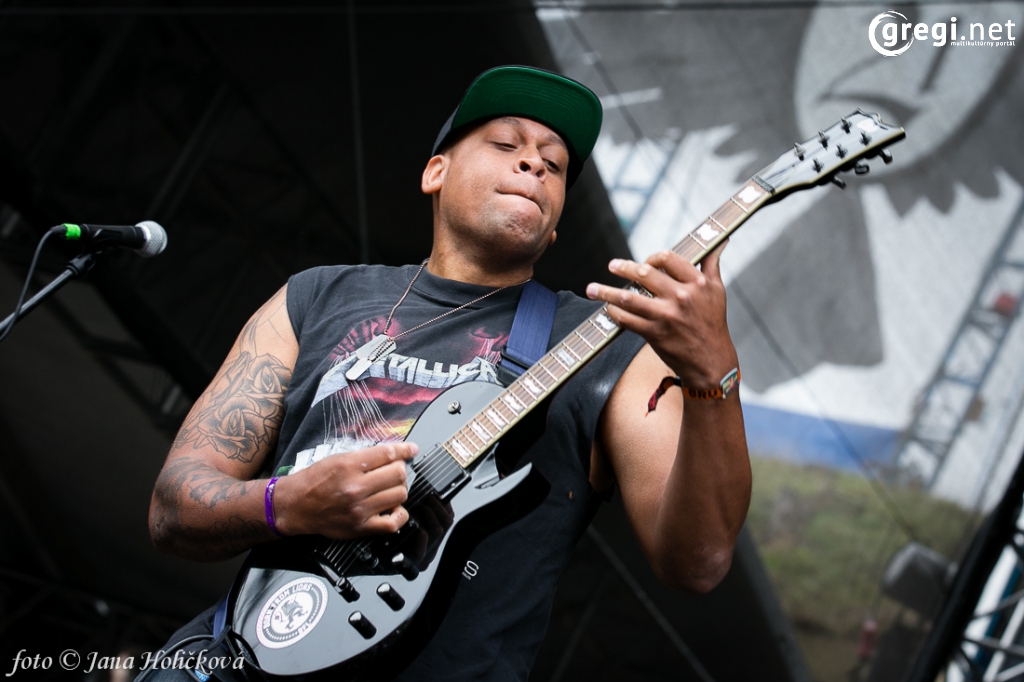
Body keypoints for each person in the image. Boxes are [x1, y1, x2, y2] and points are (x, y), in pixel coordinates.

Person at [148, 65, 750, 681]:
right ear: (436, 172)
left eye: (554, 164)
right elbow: (174, 508)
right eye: (506, 144)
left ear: (555, 224)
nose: (535, 164)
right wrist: (287, 504)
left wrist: (714, 372)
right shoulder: (315, 297)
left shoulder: (610, 347)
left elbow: (698, 562)